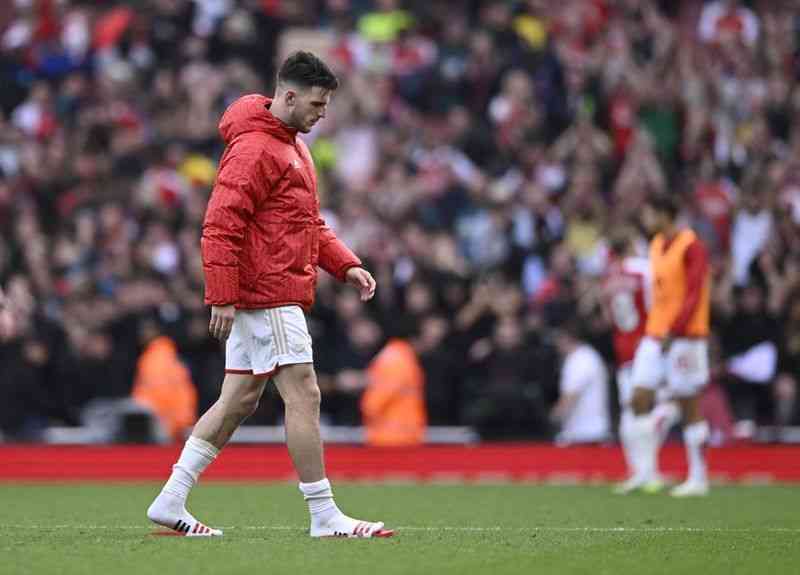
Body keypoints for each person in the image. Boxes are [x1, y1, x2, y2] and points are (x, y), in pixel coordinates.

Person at [146, 51, 393, 538]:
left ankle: (170, 497)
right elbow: (220, 224)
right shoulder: (257, 149)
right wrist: (222, 295)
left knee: (237, 399)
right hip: (268, 292)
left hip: (267, 289)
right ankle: (324, 515)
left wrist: (347, 264)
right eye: (318, 104)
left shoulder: (291, 146)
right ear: (290, 95)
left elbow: (306, 225)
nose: (323, 114)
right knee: (305, 392)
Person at [627, 196, 712, 497]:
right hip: (655, 334)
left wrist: (675, 330)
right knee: (638, 396)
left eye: (651, 212)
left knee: (690, 405)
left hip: (685, 336)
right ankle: (646, 472)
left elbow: (694, 291)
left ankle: (698, 478)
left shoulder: (692, 246)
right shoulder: (655, 245)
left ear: (666, 213)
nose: (647, 219)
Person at [602, 229, 679, 494]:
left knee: (629, 411)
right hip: (647, 344)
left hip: (622, 347)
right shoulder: (644, 270)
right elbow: (662, 302)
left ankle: (640, 472)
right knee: (669, 405)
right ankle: (647, 472)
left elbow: (607, 317)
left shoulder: (609, 277)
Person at [550, 318, 611, 446]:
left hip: (586, 435)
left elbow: (570, 397)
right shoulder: (587, 356)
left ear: (566, 338)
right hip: (586, 433)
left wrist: (551, 418)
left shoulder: (580, 359)